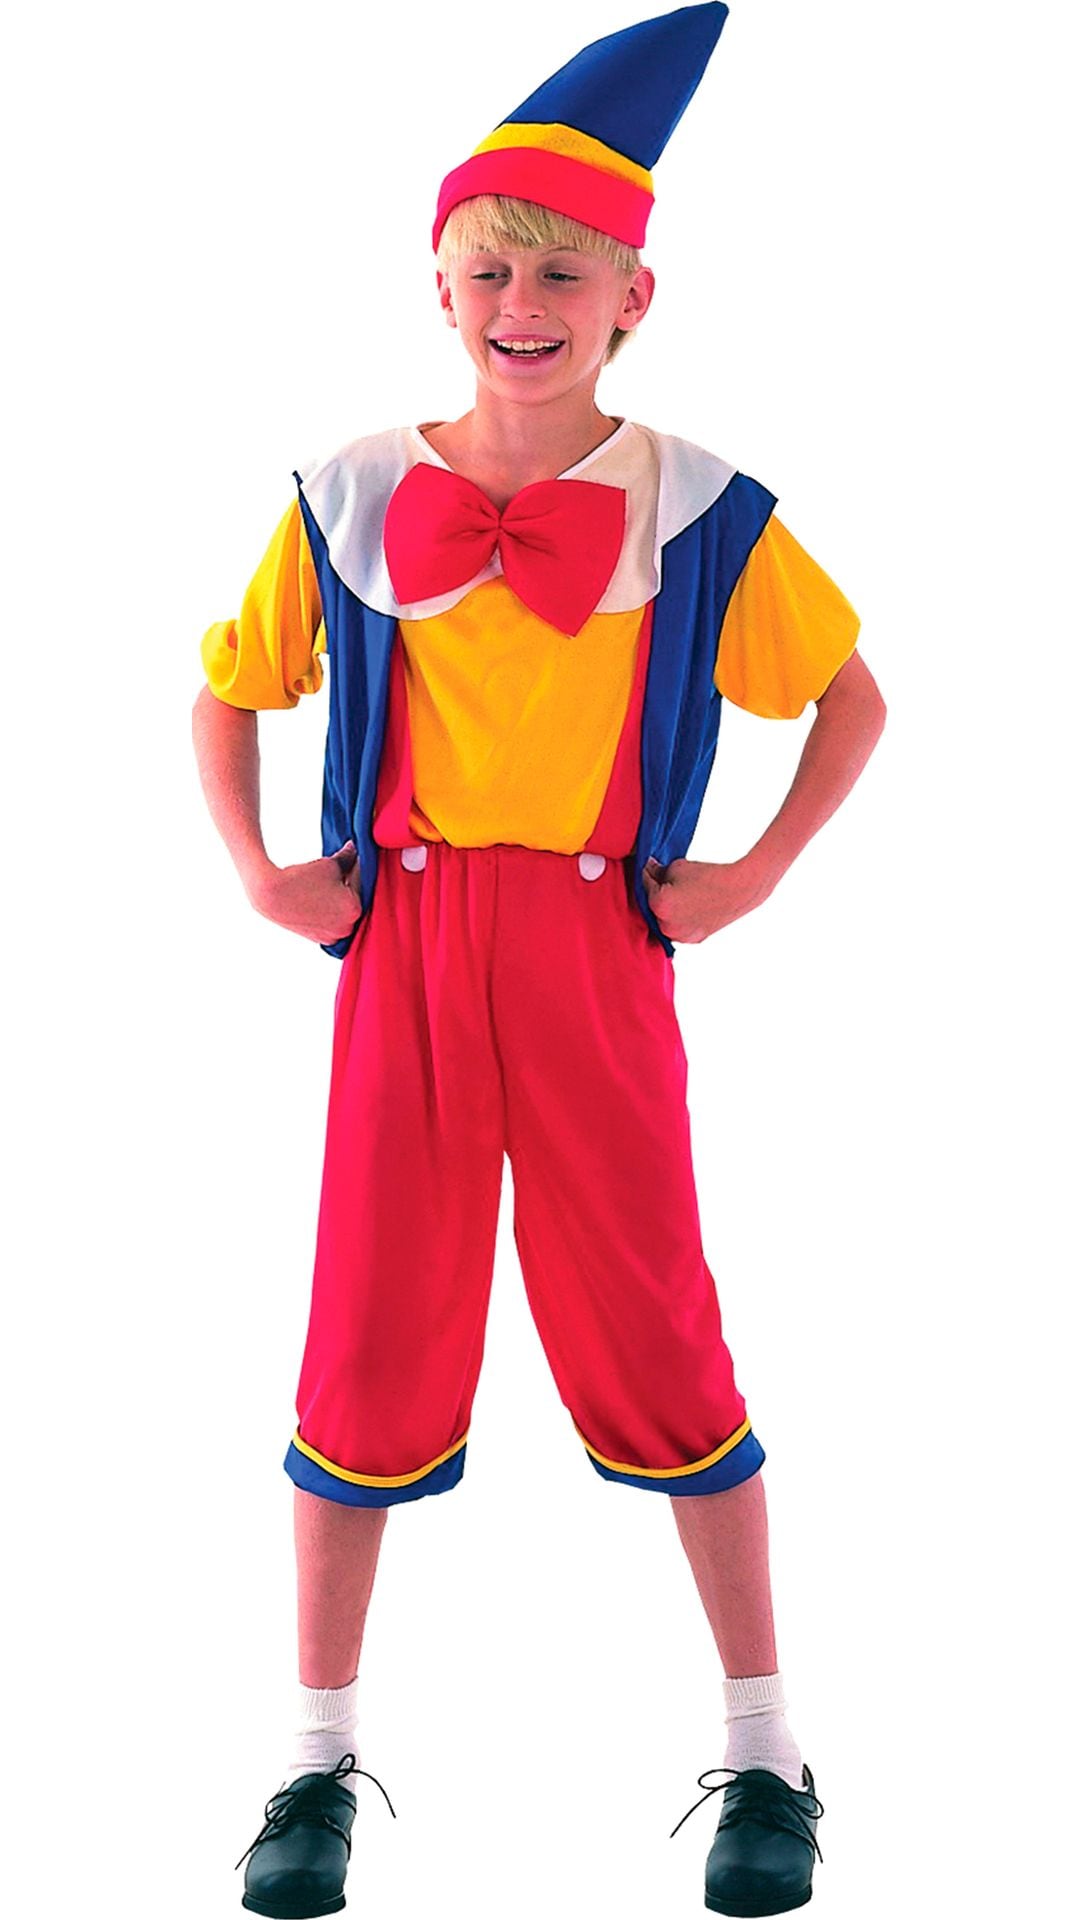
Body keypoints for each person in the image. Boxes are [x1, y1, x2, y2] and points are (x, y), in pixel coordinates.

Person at [191, 7, 886, 1915]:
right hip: (403, 942)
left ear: (632, 298)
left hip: (598, 941)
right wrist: (259, 870)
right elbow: (229, 685)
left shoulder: (699, 507)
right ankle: (311, 1764)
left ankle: (769, 1751)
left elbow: (852, 697)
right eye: (490, 272)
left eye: (562, 275)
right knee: (366, 1328)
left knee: (657, 1320)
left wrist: (750, 874)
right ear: (438, 287)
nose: (523, 304)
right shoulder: (349, 490)